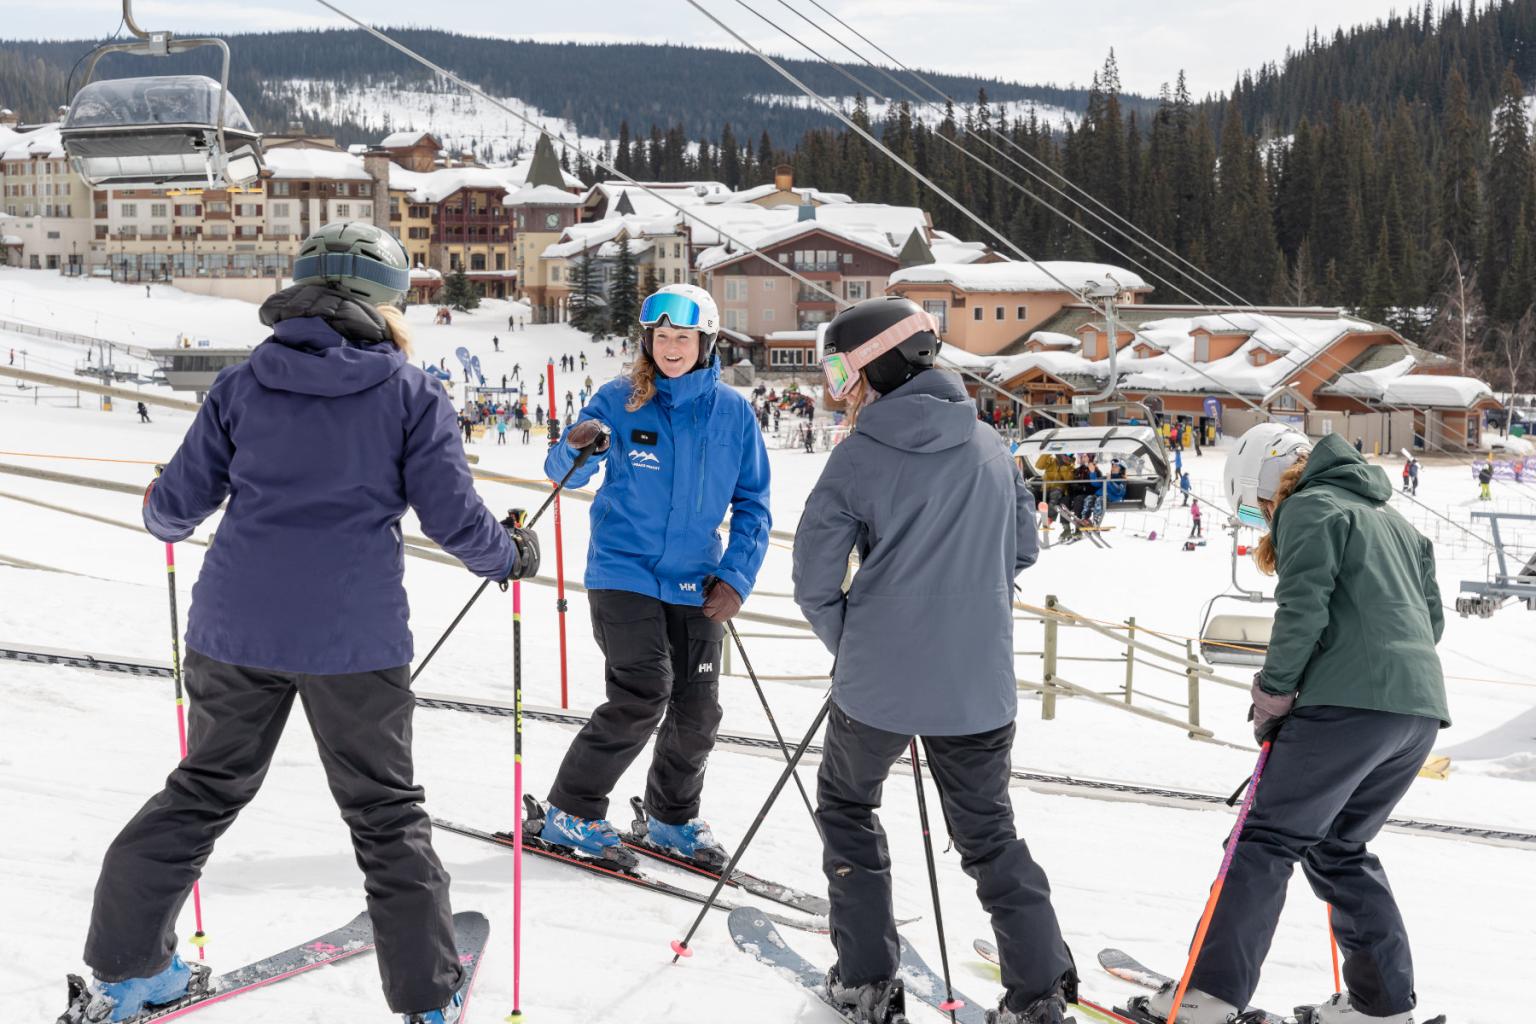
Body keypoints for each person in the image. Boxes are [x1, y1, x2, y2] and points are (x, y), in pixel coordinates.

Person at [64, 222, 539, 1024]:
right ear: (386, 304)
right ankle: (426, 996)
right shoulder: (408, 391)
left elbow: (171, 514)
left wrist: (158, 496)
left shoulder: (242, 383)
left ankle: (127, 969)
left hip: (232, 630)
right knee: (386, 812)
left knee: (202, 789)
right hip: (352, 641)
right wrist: (512, 556)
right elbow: (456, 521)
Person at [793, 297, 1075, 1024]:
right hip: (976, 683)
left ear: (872, 366)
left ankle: (866, 978)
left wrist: (853, 645)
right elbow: (1022, 550)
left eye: (841, 371)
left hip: (878, 684)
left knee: (849, 808)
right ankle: (1038, 993)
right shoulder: (988, 444)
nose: (841, 389)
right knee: (989, 834)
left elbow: (814, 579)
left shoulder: (858, 455)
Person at [1137, 425, 1448, 1024]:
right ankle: (1380, 1007)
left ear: (1265, 485)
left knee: (1263, 842)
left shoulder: (1309, 506)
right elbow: (1428, 624)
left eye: (1258, 508)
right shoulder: (1397, 524)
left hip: (1347, 712)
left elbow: (1303, 607)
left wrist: (1274, 694)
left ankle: (1208, 997)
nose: (1263, 518)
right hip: (1416, 713)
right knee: (1338, 846)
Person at [529, 283, 770, 873]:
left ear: (706, 342)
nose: (670, 347)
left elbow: (754, 503)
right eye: (661, 336)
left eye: (682, 337)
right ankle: (571, 809)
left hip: (697, 580)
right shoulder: (619, 400)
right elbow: (565, 474)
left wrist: (736, 576)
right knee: (643, 694)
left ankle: (670, 818)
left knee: (698, 708)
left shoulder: (734, 413)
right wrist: (577, 445)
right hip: (623, 571)